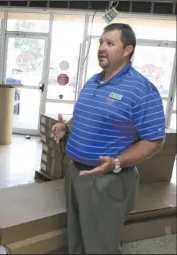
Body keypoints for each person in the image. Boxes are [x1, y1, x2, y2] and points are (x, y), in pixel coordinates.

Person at [51, 23, 165, 254]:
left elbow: (154, 141)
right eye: (101, 42)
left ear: (127, 50)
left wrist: (118, 162)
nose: (101, 48)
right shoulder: (94, 81)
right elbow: (85, 114)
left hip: (107, 180)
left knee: (100, 246)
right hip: (75, 174)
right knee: (76, 240)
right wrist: (66, 127)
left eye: (110, 43)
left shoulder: (142, 89)